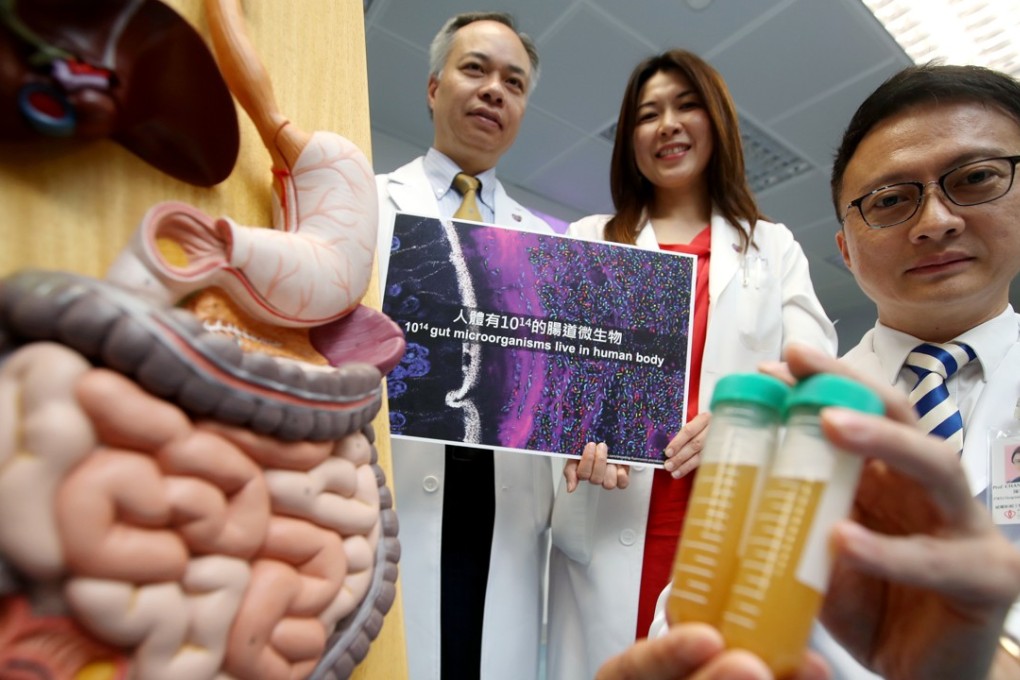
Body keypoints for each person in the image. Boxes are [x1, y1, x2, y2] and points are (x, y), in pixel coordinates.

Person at [636, 61, 1020, 680]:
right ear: (844, 247)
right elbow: (687, 617)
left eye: (975, 179)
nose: (936, 221)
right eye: (892, 200)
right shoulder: (783, 416)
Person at [545, 49, 837, 680]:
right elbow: (551, 380)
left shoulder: (772, 245)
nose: (668, 124)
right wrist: (572, 434)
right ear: (630, 140)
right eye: (648, 114)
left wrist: (745, 419)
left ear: (718, 121)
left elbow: (816, 373)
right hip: (609, 511)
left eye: (686, 105)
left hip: (723, 516)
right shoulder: (587, 239)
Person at [374, 12, 553, 680]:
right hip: (394, 492)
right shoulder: (369, 205)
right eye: (474, 69)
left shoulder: (546, 246)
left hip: (501, 508)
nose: (493, 90)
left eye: (513, 82)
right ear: (432, 86)